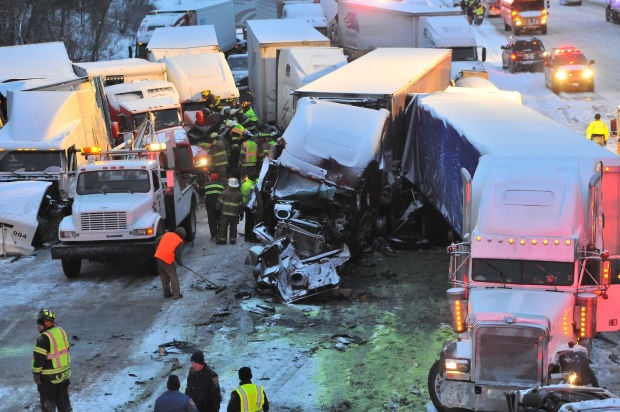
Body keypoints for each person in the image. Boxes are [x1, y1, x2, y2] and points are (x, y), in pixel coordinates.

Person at [32, 308, 72, 412]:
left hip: (48, 380)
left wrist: (36, 374)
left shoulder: (43, 338)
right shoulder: (61, 331)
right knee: (64, 404)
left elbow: (39, 359)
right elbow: (66, 349)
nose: (37, 325)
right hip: (64, 376)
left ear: (46, 322)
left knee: (48, 406)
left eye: (39, 322)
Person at [154, 227, 186, 299]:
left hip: (158, 257)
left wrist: (158, 250)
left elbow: (157, 240)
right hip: (167, 259)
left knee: (164, 277)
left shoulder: (167, 234)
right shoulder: (179, 241)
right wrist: (179, 262)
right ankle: (176, 294)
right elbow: (178, 255)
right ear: (182, 235)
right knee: (173, 276)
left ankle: (167, 293)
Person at [217, 177, 244, 245]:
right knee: (233, 227)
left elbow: (220, 203)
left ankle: (222, 240)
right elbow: (240, 205)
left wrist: (217, 210)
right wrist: (241, 213)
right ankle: (233, 240)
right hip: (234, 214)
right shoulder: (239, 194)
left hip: (225, 214)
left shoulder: (224, 193)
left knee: (223, 227)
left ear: (229, 184)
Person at [204, 173, 226, 241]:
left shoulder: (206, 186)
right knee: (219, 221)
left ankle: (213, 235)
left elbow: (200, 192)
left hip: (210, 207)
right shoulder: (221, 186)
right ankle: (219, 234)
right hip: (219, 207)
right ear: (217, 178)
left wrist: (194, 185)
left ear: (211, 178)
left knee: (211, 222)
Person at [241, 172, 259, 243]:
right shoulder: (252, 186)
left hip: (245, 204)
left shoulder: (245, 183)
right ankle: (252, 237)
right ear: (254, 178)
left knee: (248, 221)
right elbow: (250, 198)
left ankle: (247, 237)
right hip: (250, 205)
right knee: (251, 222)